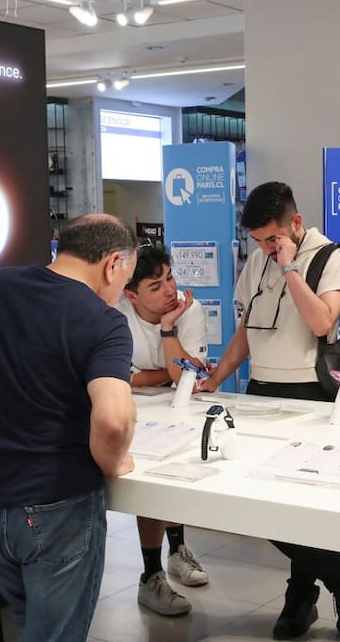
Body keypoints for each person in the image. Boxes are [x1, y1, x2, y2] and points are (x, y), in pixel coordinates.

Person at [0, 214, 139, 641]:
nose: (119, 295)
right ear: (113, 264)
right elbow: (114, 420)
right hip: (54, 504)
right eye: (125, 280)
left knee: (28, 622)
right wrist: (113, 463)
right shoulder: (103, 321)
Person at [198, 181, 340, 639]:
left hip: (309, 395)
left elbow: (321, 322)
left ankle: (300, 597)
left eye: (272, 238)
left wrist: (290, 265)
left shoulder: (330, 257)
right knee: (257, 501)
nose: (265, 248)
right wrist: (216, 377)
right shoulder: (257, 260)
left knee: (302, 502)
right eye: (258, 240)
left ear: (296, 223)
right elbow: (246, 330)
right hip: (260, 390)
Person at [118, 245, 211, 615]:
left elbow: (190, 375)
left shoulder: (190, 311)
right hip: (136, 411)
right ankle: (151, 573)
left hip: (182, 409)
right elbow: (127, 377)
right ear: (131, 294)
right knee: (148, 488)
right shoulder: (117, 314)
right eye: (155, 285)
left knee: (176, 479)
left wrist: (169, 328)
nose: (169, 290)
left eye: (170, 278)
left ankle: (178, 551)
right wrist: (171, 375)